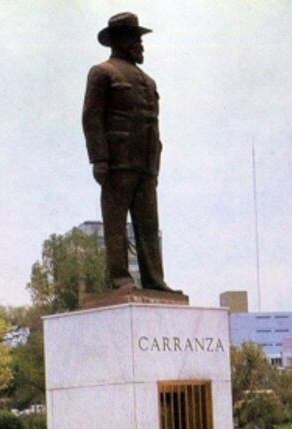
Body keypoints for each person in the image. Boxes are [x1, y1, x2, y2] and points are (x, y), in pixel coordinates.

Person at [82, 12, 180, 294]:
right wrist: (99, 158)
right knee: (115, 224)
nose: (141, 45)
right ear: (121, 40)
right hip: (118, 162)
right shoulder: (102, 73)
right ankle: (121, 279)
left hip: (146, 164)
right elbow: (91, 117)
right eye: (136, 38)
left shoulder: (148, 81)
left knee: (149, 225)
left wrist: (155, 163)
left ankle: (154, 280)